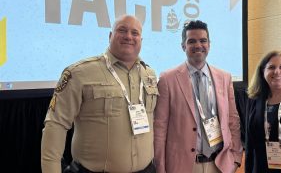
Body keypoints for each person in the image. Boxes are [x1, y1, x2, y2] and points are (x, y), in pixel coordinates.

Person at [41, 15, 158, 173]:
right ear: (110, 36)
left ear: (141, 40)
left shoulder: (149, 74)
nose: (129, 36)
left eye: (135, 33)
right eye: (122, 30)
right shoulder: (79, 73)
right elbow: (55, 125)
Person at [154, 20, 243, 173]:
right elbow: (160, 128)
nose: (198, 45)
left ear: (209, 44)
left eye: (203, 40)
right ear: (183, 46)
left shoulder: (224, 77)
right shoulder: (167, 79)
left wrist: (235, 159)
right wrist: (160, 168)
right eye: (191, 41)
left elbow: (233, 120)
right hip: (183, 166)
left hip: (219, 164)